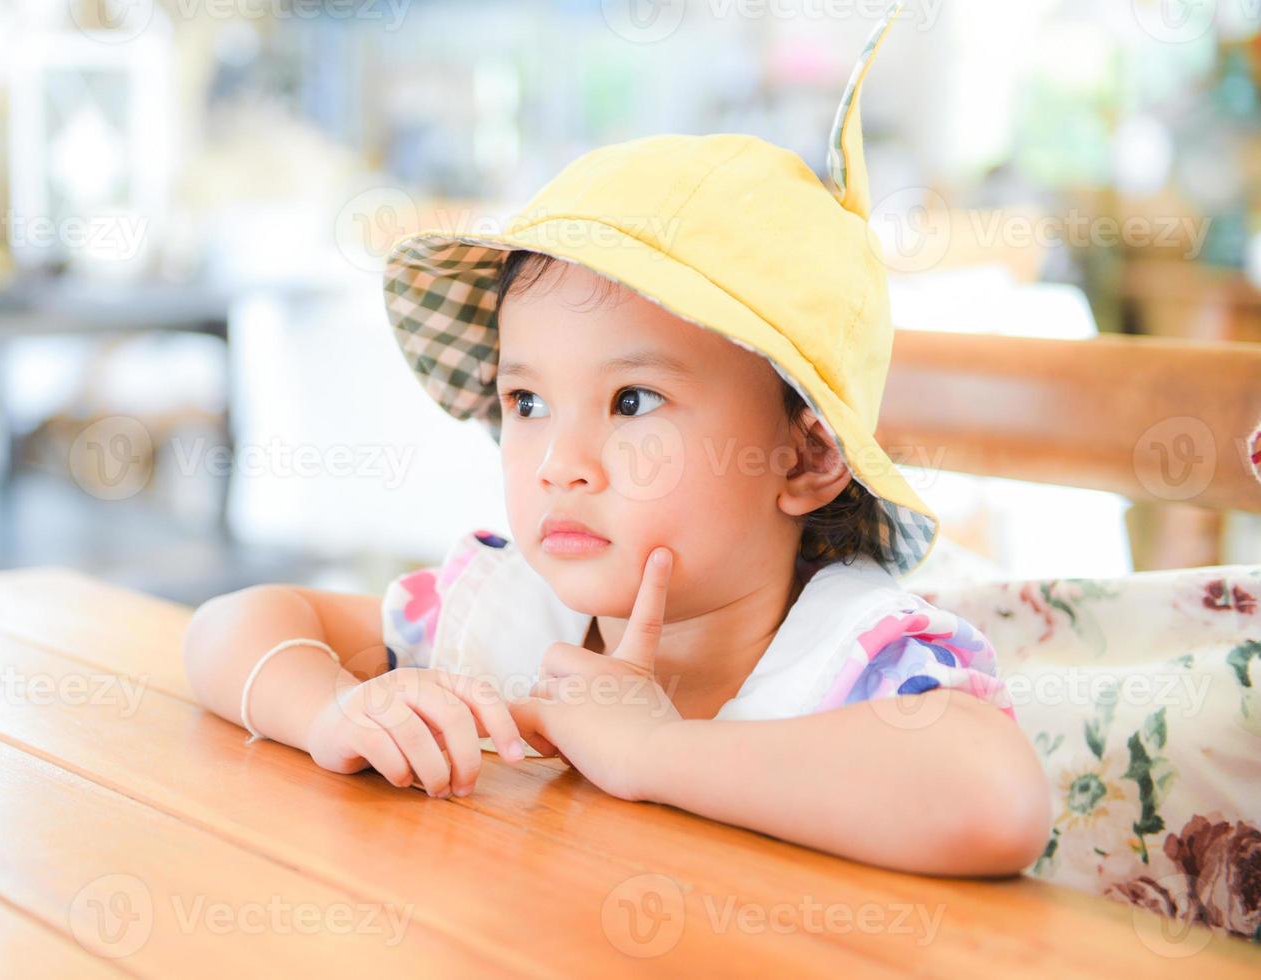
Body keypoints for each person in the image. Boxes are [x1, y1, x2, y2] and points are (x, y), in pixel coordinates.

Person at [184, 4, 1051, 876]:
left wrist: (648, 750)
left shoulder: (854, 657)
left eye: (632, 401)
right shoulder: (509, 615)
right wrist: (334, 711)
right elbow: (231, 626)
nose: (560, 464)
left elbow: (996, 802)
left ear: (808, 456)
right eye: (526, 402)